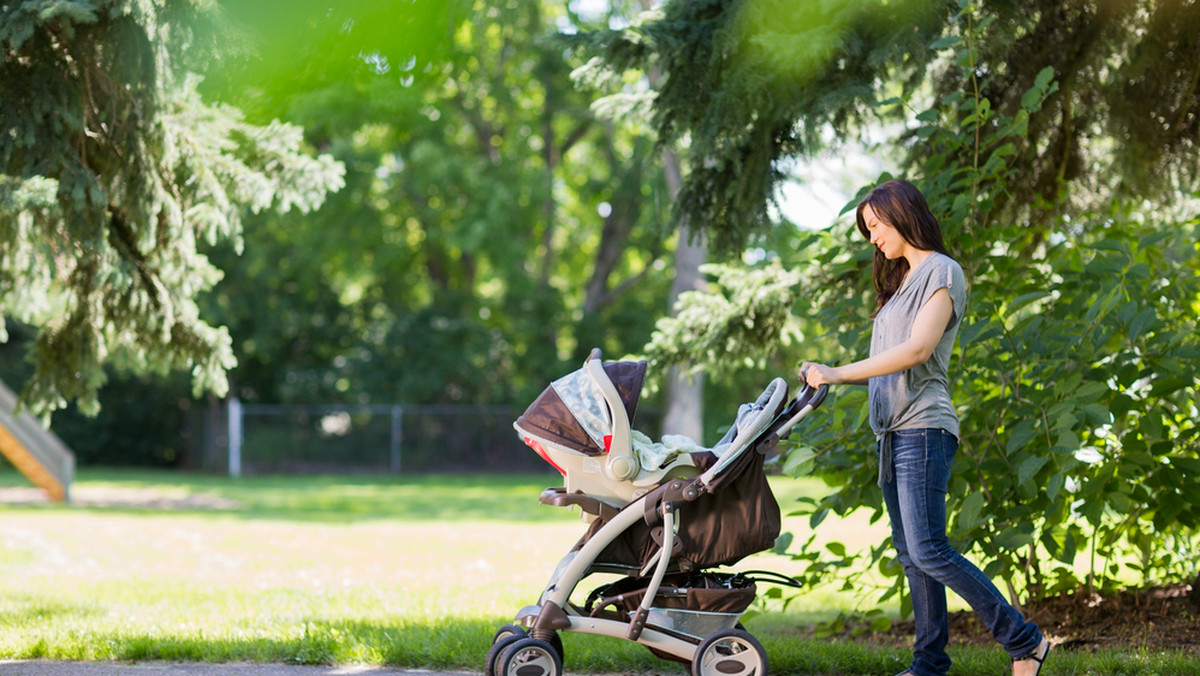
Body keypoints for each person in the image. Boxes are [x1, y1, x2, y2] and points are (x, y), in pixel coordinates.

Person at [800, 179, 1052, 676]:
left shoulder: (942, 270)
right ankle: (929, 663)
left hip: (923, 427)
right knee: (914, 558)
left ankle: (1025, 642)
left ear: (901, 214)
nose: (872, 238)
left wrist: (837, 372)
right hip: (893, 434)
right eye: (867, 230)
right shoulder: (897, 289)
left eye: (875, 226)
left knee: (930, 550)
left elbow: (917, 351)